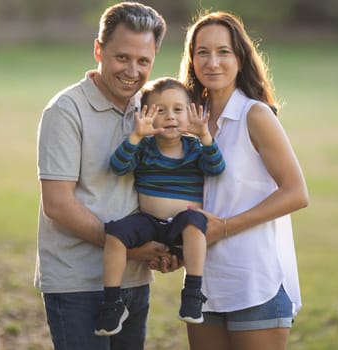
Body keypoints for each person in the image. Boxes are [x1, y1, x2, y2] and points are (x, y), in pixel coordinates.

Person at [35, 3, 171, 350]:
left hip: (135, 280)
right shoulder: (66, 110)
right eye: (122, 57)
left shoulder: (150, 109)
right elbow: (58, 204)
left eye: (144, 61)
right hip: (77, 282)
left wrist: (173, 245)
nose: (133, 71)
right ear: (99, 50)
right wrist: (130, 248)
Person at [178, 11, 309, 350]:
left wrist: (225, 227)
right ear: (191, 60)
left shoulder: (255, 114)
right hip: (203, 285)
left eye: (224, 51)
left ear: (240, 58)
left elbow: (296, 193)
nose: (213, 61)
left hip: (255, 284)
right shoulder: (190, 119)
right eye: (202, 52)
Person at [94, 77, 225, 336]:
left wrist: (205, 135)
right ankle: (112, 302)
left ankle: (193, 292)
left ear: (190, 113)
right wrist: (135, 135)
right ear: (145, 115)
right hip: (149, 222)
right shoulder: (145, 149)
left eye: (178, 110)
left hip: (182, 223)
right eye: (160, 110)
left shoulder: (195, 148)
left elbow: (216, 168)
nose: (170, 117)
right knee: (115, 234)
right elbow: (118, 167)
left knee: (195, 222)